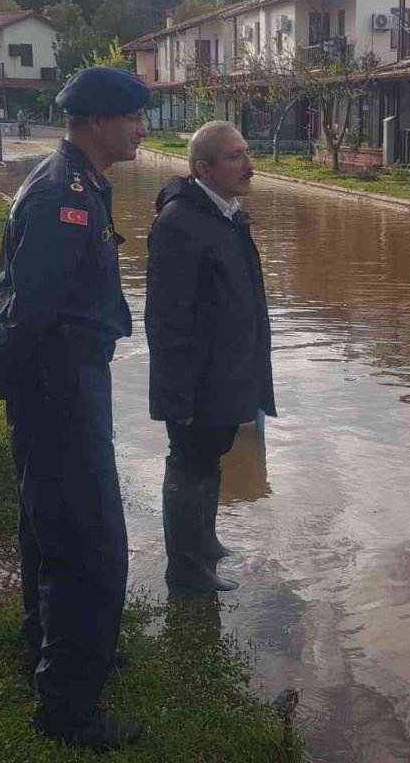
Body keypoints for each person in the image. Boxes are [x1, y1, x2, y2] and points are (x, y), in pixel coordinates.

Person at [0, 67, 149, 750]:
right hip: (59, 386)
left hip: (63, 380)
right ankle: (67, 704)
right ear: (95, 122)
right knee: (88, 542)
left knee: (50, 525)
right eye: (131, 118)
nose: (141, 130)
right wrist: (0, 368)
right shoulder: (63, 196)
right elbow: (32, 309)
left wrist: (5, 362)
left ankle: (52, 647)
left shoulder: (76, 181)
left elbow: (31, 301)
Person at [145, 121, 276, 594]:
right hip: (196, 380)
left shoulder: (223, 213)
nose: (249, 164)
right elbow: (167, 319)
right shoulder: (180, 223)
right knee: (189, 460)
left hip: (223, 372)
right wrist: (179, 395)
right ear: (204, 168)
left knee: (211, 455)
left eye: (246, 152)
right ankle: (185, 568)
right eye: (235, 156)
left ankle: (204, 541)